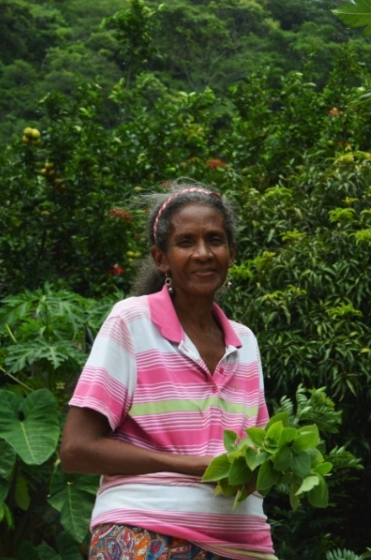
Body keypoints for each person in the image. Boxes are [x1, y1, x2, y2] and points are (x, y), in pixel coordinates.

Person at [59, 183, 276, 560]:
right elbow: (76, 450)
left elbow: (254, 454)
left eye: (215, 239)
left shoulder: (245, 342)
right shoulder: (132, 322)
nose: (204, 253)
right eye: (186, 242)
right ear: (161, 258)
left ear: (232, 252)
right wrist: (193, 467)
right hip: (146, 533)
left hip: (243, 543)